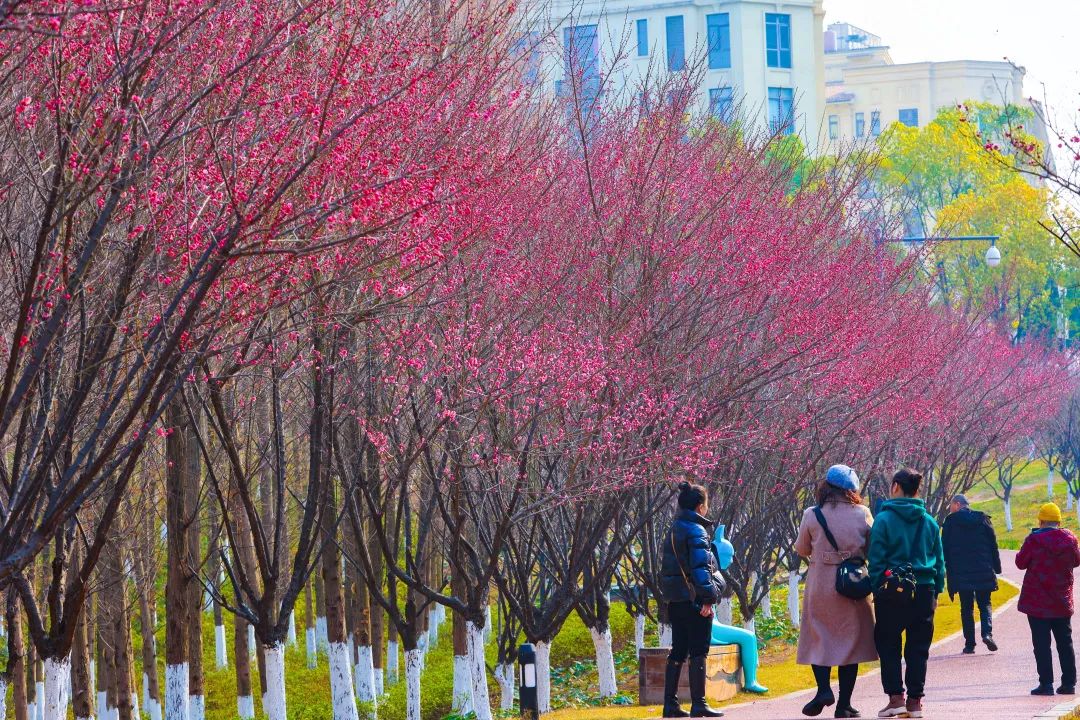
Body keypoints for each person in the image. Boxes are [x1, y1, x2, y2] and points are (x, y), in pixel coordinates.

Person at [793, 464, 877, 719]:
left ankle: (823, 690)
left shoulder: (812, 514)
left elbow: (801, 549)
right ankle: (845, 705)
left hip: (821, 584)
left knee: (820, 637)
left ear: (826, 486)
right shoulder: (863, 513)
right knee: (849, 645)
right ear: (852, 490)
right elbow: (872, 548)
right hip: (851, 585)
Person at [868, 468, 945, 719]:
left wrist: (877, 586)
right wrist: (938, 590)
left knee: (889, 643)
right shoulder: (930, 521)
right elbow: (940, 562)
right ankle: (915, 702)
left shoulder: (884, 519)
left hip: (892, 589)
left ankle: (895, 699)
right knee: (918, 647)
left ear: (895, 486)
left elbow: (876, 558)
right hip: (924, 589)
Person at [660, 481, 725, 718]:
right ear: (700, 507)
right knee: (699, 649)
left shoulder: (674, 528)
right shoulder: (696, 530)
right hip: (694, 599)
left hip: (676, 599)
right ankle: (699, 703)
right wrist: (707, 600)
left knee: (678, 649)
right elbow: (701, 569)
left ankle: (670, 704)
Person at [1016, 502, 1080, 697]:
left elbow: (1020, 563)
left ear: (1041, 521)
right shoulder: (1069, 539)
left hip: (1038, 602)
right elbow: (1077, 560)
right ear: (1059, 521)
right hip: (1061, 600)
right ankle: (1069, 683)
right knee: (1065, 642)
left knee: (1042, 644)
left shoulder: (1034, 540)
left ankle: (1046, 684)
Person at [710, 524, 769, 694]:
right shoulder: (709, 572)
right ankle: (751, 681)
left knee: (748, 636)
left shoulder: (712, 570)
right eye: (728, 555)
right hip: (708, 627)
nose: (730, 560)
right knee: (749, 637)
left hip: (710, 624)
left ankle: (752, 679)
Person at [941, 494, 1001, 654]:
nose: (951, 509)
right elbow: (993, 545)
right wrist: (997, 567)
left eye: (952, 505)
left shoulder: (950, 523)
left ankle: (969, 644)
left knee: (966, 608)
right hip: (983, 568)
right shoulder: (982, 519)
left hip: (961, 572)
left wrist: (945, 569)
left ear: (958, 504)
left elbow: (944, 548)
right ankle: (987, 633)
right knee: (985, 604)